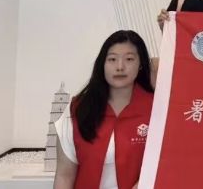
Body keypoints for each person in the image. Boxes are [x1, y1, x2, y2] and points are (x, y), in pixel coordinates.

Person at [53, 30, 154, 189]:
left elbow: (167, 165)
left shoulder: (157, 109)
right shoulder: (78, 109)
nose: (120, 67)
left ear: (141, 64)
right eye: (112, 59)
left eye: (129, 59)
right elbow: (64, 176)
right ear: (102, 64)